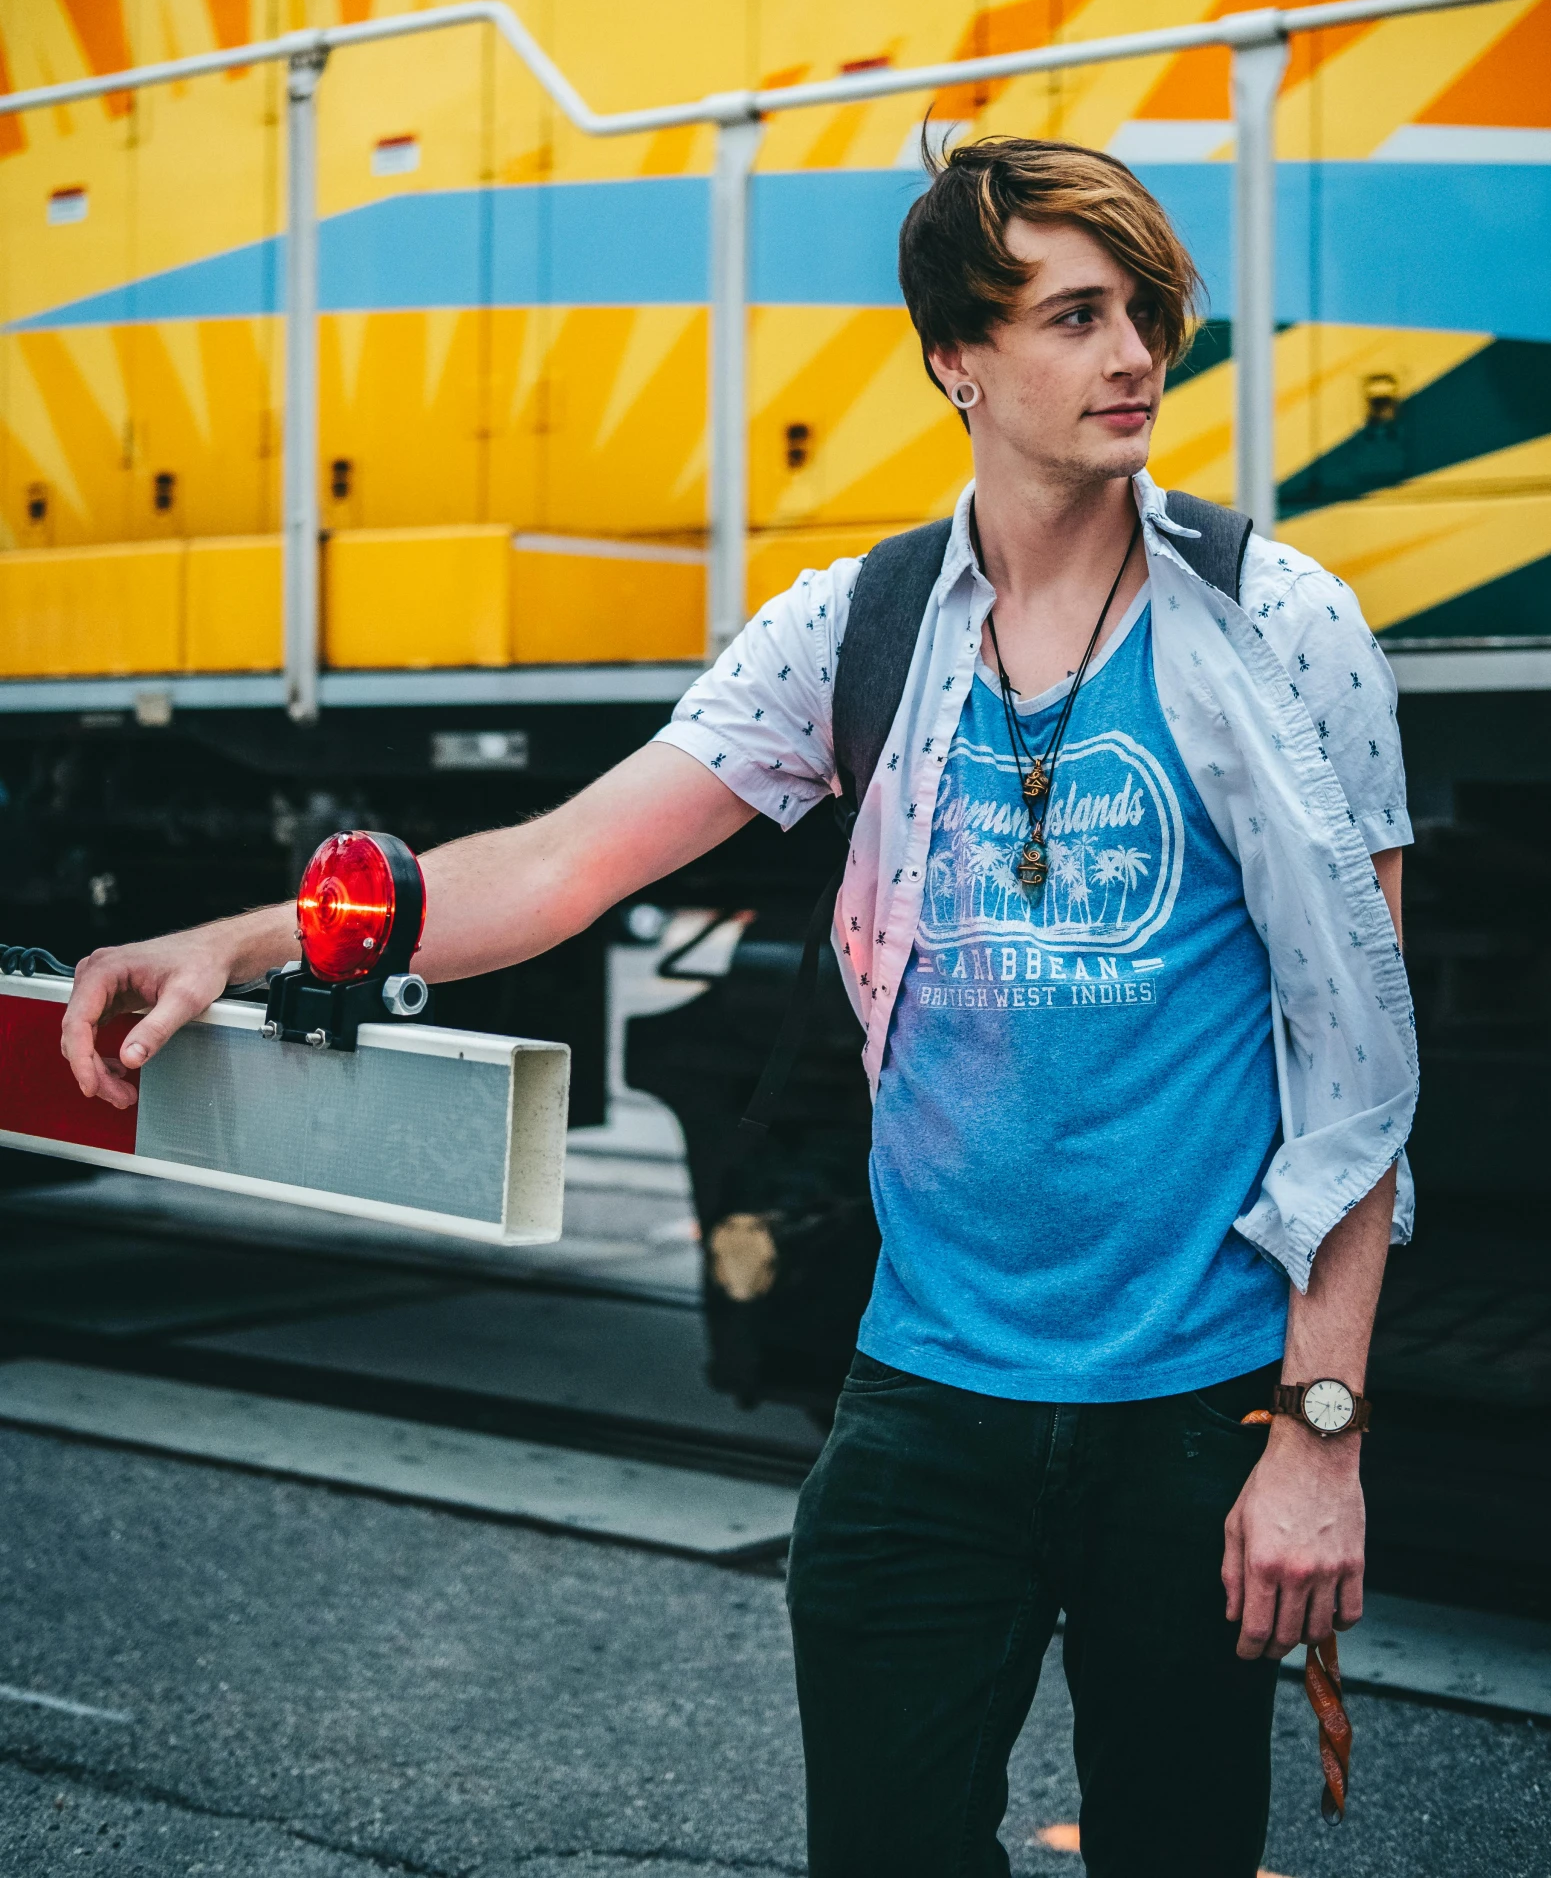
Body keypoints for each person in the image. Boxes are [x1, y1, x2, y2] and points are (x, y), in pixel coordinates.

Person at [62, 138, 1416, 1878]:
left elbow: (1361, 1072)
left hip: (1197, 1408)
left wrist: (1318, 1434)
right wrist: (249, 938)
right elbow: (557, 865)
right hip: (926, 1400)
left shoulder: (1280, 622)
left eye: (1144, 310)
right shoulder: (852, 631)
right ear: (956, 359)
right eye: (1076, 316)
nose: (1133, 353)